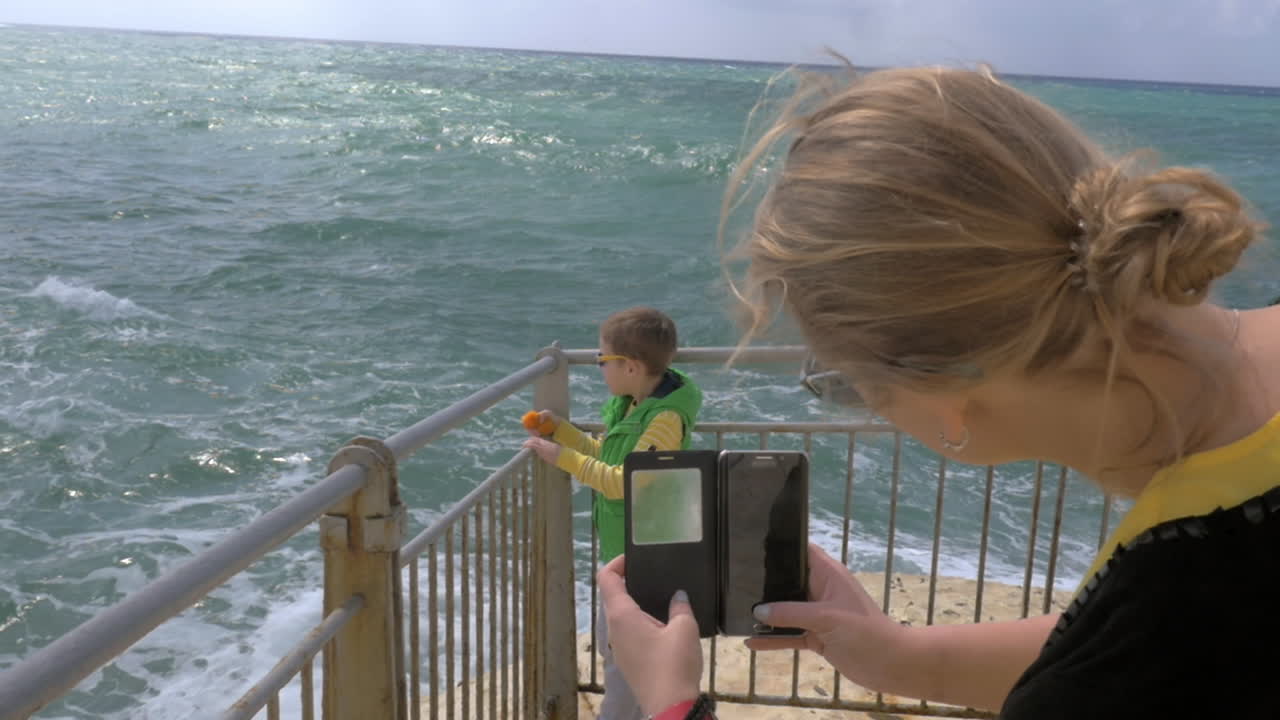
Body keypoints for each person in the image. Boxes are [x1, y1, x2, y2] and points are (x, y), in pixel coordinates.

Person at [598, 63, 1279, 720]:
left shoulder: (1168, 608)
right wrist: (902, 656)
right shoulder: (1176, 611)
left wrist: (674, 706)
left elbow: (1145, 660)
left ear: (944, 391)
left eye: (846, 383)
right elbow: (1132, 656)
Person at [522, 306, 703, 720]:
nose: (599, 368)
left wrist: (560, 456)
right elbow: (610, 454)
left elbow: (625, 482)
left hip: (651, 556)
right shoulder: (633, 405)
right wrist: (562, 433)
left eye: (602, 361)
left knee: (625, 661)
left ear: (632, 367)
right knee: (617, 653)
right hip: (629, 554)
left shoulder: (664, 419)